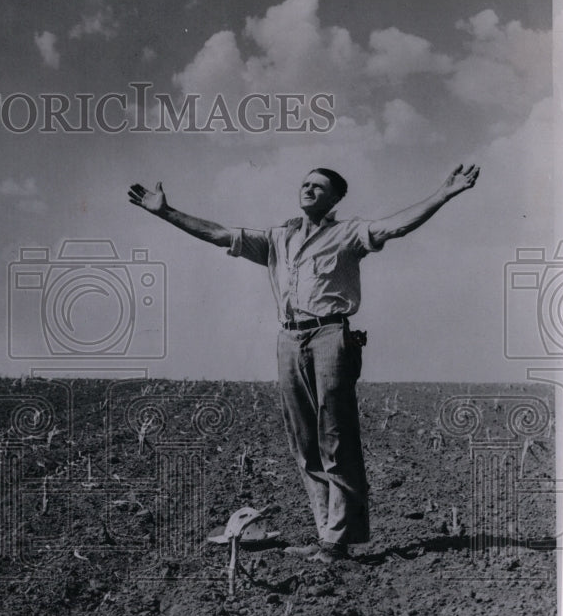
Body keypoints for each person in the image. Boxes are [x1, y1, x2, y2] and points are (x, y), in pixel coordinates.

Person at [127, 164, 480, 563]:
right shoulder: (279, 238)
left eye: (319, 186)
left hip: (331, 336)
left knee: (336, 437)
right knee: (304, 443)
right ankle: (325, 534)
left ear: (335, 199)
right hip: (289, 340)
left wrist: (443, 193)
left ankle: (337, 541)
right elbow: (218, 233)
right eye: (305, 184)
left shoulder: (348, 233)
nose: (309, 189)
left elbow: (394, 226)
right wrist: (165, 212)